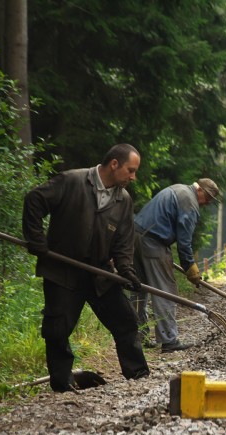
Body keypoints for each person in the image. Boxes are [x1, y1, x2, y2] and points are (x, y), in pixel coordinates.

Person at [22, 143, 150, 392]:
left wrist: (126, 272)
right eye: (131, 170)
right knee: (57, 329)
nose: (133, 177)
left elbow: (123, 245)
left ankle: (138, 375)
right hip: (62, 271)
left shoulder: (123, 201)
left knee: (126, 321)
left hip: (99, 275)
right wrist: (36, 240)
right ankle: (62, 383)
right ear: (114, 164)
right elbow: (35, 200)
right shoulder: (72, 181)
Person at [132, 178, 220, 352]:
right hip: (154, 242)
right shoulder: (190, 202)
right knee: (165, 291)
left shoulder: (177, 189)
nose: (207, 203)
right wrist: (190, 267)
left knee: (138, 289)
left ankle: (137, 337)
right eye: (208, 198)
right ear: (200, 190)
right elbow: (184, 241)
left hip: (135, 236)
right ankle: (169, 340)